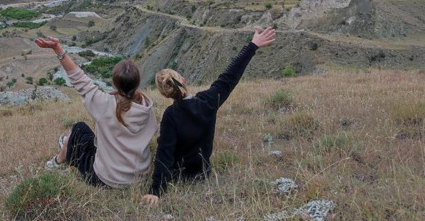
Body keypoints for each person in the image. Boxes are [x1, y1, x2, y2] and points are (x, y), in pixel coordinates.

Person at [142, 26, 276, 205]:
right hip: (202, 174)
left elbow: (164, 154)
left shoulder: (170, 116)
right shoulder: (208, 102)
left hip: (179, 177)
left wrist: (156, 191)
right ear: (183, 81)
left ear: (164, 94)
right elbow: (229, 76)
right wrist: (252, 45)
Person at [35, 36, 157, 188]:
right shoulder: (146, 107)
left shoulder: (104, 103)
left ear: (115, 83)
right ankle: (66, 145)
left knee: (79, 129)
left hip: (106, 179)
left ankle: (58, 159)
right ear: (137, 82)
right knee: (84, 138)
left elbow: (79, 79)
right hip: (139, 178)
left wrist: (58, 49)